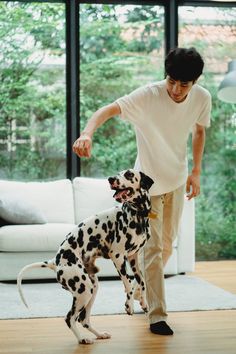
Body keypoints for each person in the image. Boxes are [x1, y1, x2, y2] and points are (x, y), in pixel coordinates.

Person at [73, 47, 211, 336]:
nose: (175, 89)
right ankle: (156, 315)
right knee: (152, 252)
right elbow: (107, 110)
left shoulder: (202, 98)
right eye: (171, 81)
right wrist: (87, 132)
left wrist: (196, 171)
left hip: (175, 180)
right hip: (145, 189)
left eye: (183, 84)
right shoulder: (148, 95)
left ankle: (141, 287)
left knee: (165, 247)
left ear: (195, 82)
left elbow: (199, 131)